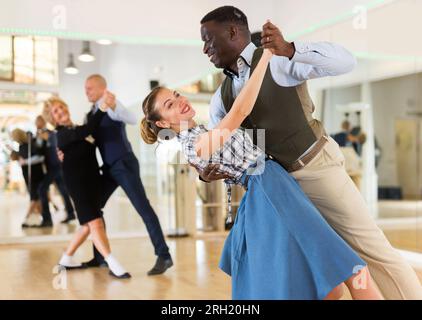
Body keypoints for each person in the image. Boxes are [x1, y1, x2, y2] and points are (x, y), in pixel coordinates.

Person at [198, 6, 422, 299]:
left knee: (371, 250)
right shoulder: (220, 98)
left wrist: (290, 48)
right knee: (320, 270)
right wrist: (207, 173)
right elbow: (220, 149)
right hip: (279, 191)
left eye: (208, 40)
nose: (205, 49)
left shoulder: (278, 61)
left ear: (232, 32)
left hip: (317, 169)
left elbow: (345, 62)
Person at [140, 46, 383, 300]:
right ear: (163, 123)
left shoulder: (201, 132)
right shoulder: (193, 144)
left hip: (273, 184)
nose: (180, 101)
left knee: (327, 276)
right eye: (170, 104)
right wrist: (265, 57)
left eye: (177, 95)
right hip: (269, 188)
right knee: (344, 265)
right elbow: (240, 111)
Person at [79, 74, 172, 275]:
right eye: (85, 88)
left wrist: (113, 106)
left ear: (102, 88)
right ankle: (100, 257)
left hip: (124, 164)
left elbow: (130, 118)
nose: (86, 91)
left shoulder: (112, 104)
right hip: (109, 168)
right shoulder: (89, 115)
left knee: (143, 208)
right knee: (94, 208)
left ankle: (164, 256)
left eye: (90, 88)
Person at [44, 96, 130, 279]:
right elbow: (90, 128)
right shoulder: (62, 134)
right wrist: (103, 107)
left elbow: (90, 136)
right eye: (55, 112)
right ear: (53, 119)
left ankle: (66, 259)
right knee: (95, 223)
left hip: (93, 181)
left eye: (61, 107)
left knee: (85, 226)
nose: (61, 112)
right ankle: (113, 264)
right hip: (78, 186)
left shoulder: (75, 129)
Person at [35, 115, 76, 225]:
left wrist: (45, 137)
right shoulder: (37, 135)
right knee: (63, 190)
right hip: (50, 167)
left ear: (43, 122)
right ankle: (71, 213)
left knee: (42, 189)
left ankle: (47, 219)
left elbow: (54, 144)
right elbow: (39, 150)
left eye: (39, 121)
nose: (37, 123)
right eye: (36, 121)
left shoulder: (51, 133)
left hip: (56, 166)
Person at [10, 129, 45, 227]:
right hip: (28, 175)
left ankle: (26, 218)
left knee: (34, 197)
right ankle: (44, 217)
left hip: (34, 175)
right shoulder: (21, 147)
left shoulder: (30, 145)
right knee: (35, 197)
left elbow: (39, 157)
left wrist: (25, 162)